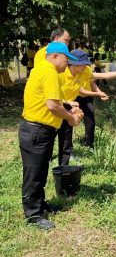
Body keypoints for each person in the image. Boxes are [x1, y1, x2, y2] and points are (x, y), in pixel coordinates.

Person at [18, 42, 82, 230]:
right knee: (34, 173)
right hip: (37, 130)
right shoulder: (50, 73)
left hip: (38, 130)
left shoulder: (41, 69)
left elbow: (51, 99)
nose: (67, 64)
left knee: (40, 170)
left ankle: (40, 205)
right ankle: (33, 215)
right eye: (66, 59)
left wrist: (68, 104)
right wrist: (71, 118)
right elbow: (52, 106)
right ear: (54, 57)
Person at [59, 50, 116, 159]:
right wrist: (67, 102)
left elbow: (104, 76)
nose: (86, 66)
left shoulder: (83, 72)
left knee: (67, 129)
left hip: (71, 103)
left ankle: (68, 154)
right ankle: (51, 157)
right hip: (59, 103)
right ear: (74, 63)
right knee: (55, 131)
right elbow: (53, 94)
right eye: (83, 63)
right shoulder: (62, 73)